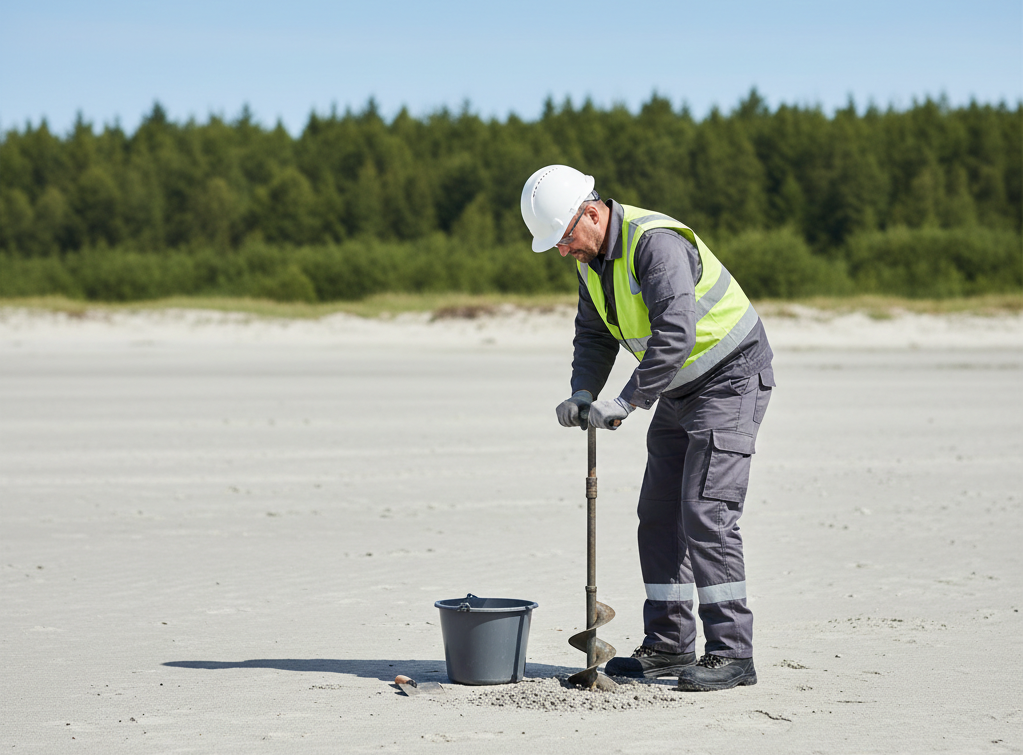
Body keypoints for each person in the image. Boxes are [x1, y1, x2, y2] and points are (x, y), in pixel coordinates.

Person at [520, 165, 775, 692]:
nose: (564, 251)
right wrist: (583, 391)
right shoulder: (590, 262)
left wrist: (628, 400)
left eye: (565, 238)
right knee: (658, 514)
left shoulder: (655, 245)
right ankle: (669, 646)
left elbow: (677, 333)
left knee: (706, 511)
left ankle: (732, 653)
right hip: (680, 388)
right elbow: (593, 335)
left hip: (730, 377)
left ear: (591, 214)